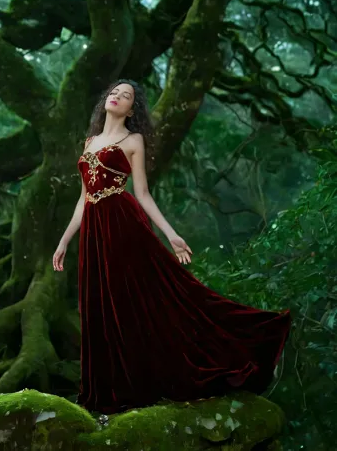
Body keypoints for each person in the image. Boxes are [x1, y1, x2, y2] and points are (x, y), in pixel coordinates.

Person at [52, 79, 292, 415]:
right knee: (99, 303)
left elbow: (143, 193)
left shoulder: (133, 139)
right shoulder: (89, 141)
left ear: (132, 109)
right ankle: (110, 390)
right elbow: (83, 198)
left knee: (141, 298)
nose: (117, 98)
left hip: (123, 223)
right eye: (114, 93)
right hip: (93, 230)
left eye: (126, 96)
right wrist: (64, 241)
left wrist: (171, 234)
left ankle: (234, 343)